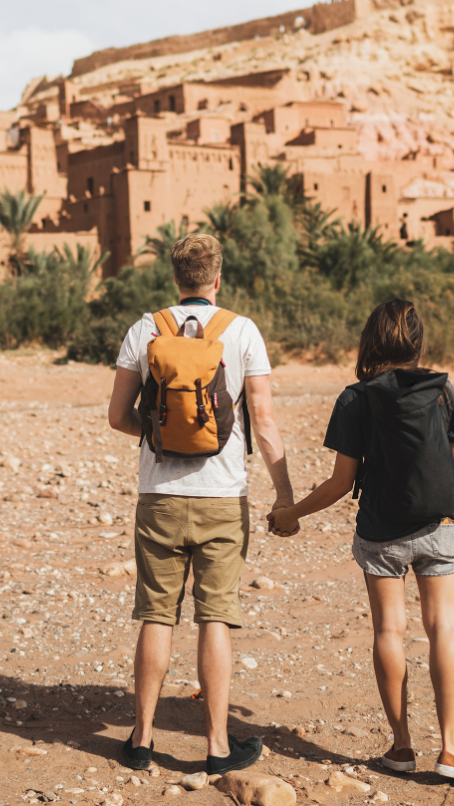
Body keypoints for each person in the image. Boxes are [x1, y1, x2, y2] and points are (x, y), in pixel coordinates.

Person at [266, 299, 454, 781]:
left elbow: (341, 482)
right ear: (417, 341)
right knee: (443, 628)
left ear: (370, 341)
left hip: (381, 534)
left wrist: (290, 514)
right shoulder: (441, 390)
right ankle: (451, 749)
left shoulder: (355, 398)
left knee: (389, 631)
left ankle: (401, 747)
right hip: (440, 525)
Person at [107, 232, 293, 774]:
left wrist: (158, 435)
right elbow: (264, 420)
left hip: (159, 497)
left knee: (156, 615)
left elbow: (117, 416)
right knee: (215, 618)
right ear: (217, 279)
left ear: (175, 278)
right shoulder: (243, 331)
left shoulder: (145, 329)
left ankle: (141, 740)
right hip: (223, 498)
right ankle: (216, 747)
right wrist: (284, 495)